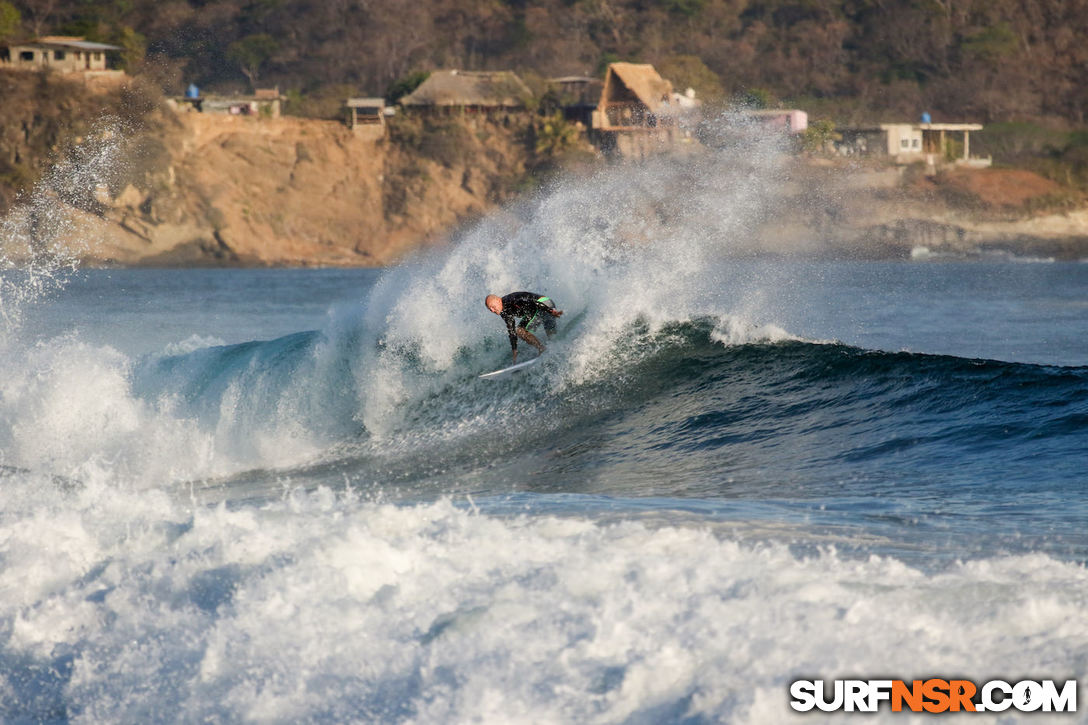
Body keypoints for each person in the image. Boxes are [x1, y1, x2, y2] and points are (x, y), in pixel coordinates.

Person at [485, 291, 563, 363]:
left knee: (520, 331)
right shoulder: (504, 312)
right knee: (552, 337)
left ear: (498, 300)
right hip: (538, 309)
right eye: (489, 309)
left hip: (544, 304)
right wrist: (514, 351)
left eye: (492, 306)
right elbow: (511, 330)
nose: (492, 310)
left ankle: (542, 349)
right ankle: (552, 350)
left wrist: (550, 311)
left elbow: (533, 302)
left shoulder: (512, 300)